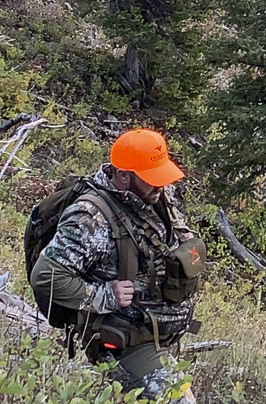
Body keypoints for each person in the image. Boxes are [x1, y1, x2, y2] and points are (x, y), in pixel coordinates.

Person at [30, 128, 203, 401]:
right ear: (123, 176)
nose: (160, 186)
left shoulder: (152, 197)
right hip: (127, 342)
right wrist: (105, 295)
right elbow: (46, 276)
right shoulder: (90, 218)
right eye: (152, 178)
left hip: (156, 334)